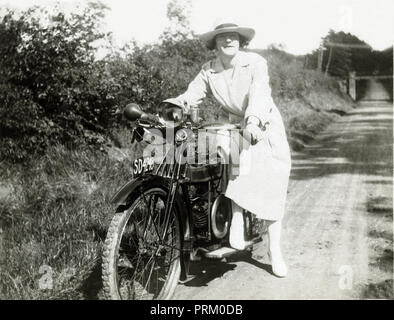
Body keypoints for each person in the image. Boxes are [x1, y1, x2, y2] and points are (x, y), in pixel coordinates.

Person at [164, 21, 291, 277]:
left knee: (272, 185)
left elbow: (260, 93)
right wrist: (174, 107)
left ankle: (274, 251)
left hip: (263, 124)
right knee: (214, 158)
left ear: (241, 41)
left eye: (233, 37)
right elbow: (192, 94)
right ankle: (226, 219)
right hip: (234, 125)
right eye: (222, 37)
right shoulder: (208, 70)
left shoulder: (255, 62)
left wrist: (253, 121)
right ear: (215, 43)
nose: (228, 41)